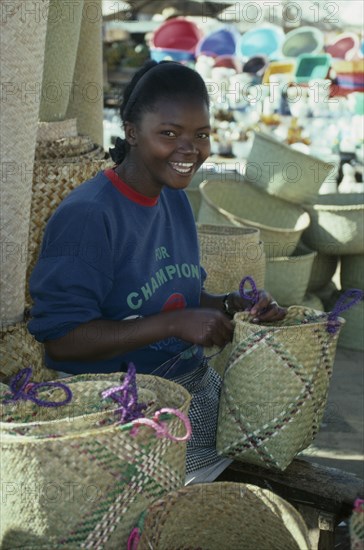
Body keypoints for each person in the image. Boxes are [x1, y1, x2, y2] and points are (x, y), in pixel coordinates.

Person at [28, 60, 286, 482]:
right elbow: (62, 339)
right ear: (131, 131)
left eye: (200, 135)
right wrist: (171, 324)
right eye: (169, 134)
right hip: (119, 417)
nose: (190, 149)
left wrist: (229, 305)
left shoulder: (173, 198)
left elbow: (175, 293)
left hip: (185, 394)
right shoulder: (90, 216)